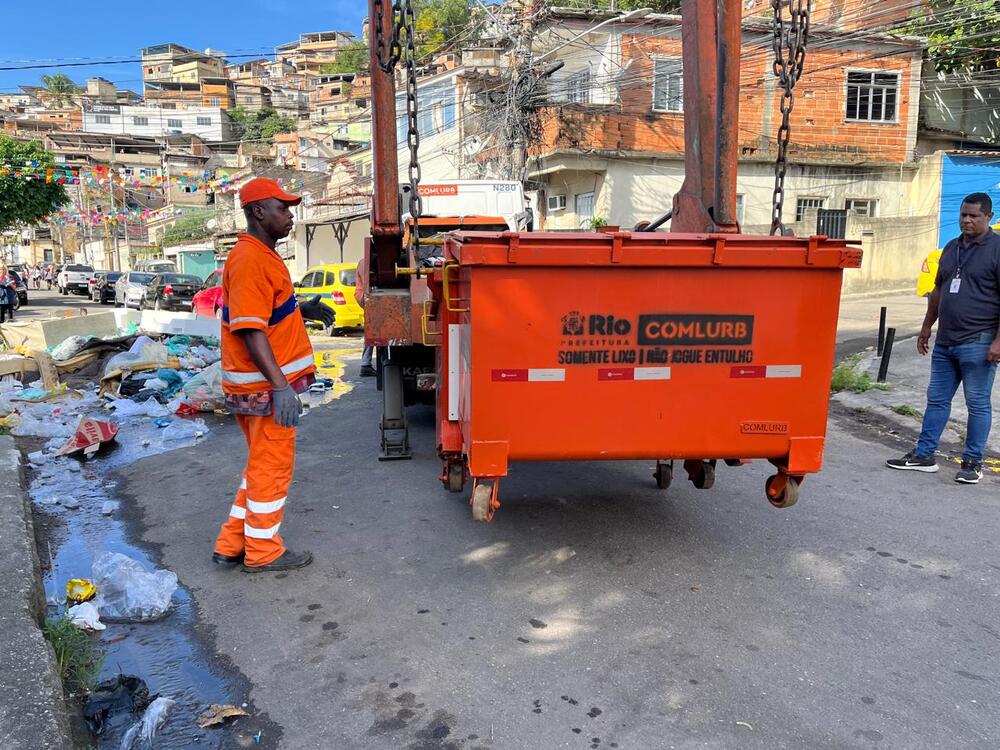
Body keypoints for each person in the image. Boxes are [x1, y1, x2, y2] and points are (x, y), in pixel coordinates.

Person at [212, 177, 334, 573]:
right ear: (258, 212)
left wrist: (304, 311)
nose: (290, 214)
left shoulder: (260, 256)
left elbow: (268, 313)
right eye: (282, 208)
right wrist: (281, 386)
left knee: (259, 468)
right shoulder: (249, 260)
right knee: (271, 469)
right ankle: (263, 552)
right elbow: (249, 329)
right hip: (265, 392)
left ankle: (231, 544)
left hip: (262, 389)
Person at [887, 192, 1000, 484]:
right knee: (936, 400)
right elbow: (938, 290)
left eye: (974, 216)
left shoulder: (998, 249)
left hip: (979, 340)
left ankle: (973, 462)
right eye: (963, 214)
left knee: (977, 404)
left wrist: (998, 342)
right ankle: (924, 455)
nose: (966, 220)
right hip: (945, 341)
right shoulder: (951, 247)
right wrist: (927, 326)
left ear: (989, 217)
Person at [355, 254, 375, 377]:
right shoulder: (364, 263)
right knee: (372, 328)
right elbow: (367, 282)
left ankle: (366, 363)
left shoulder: (364, 261)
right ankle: (365, 364)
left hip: (364, 295)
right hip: (364, 295)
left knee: (372, 327)